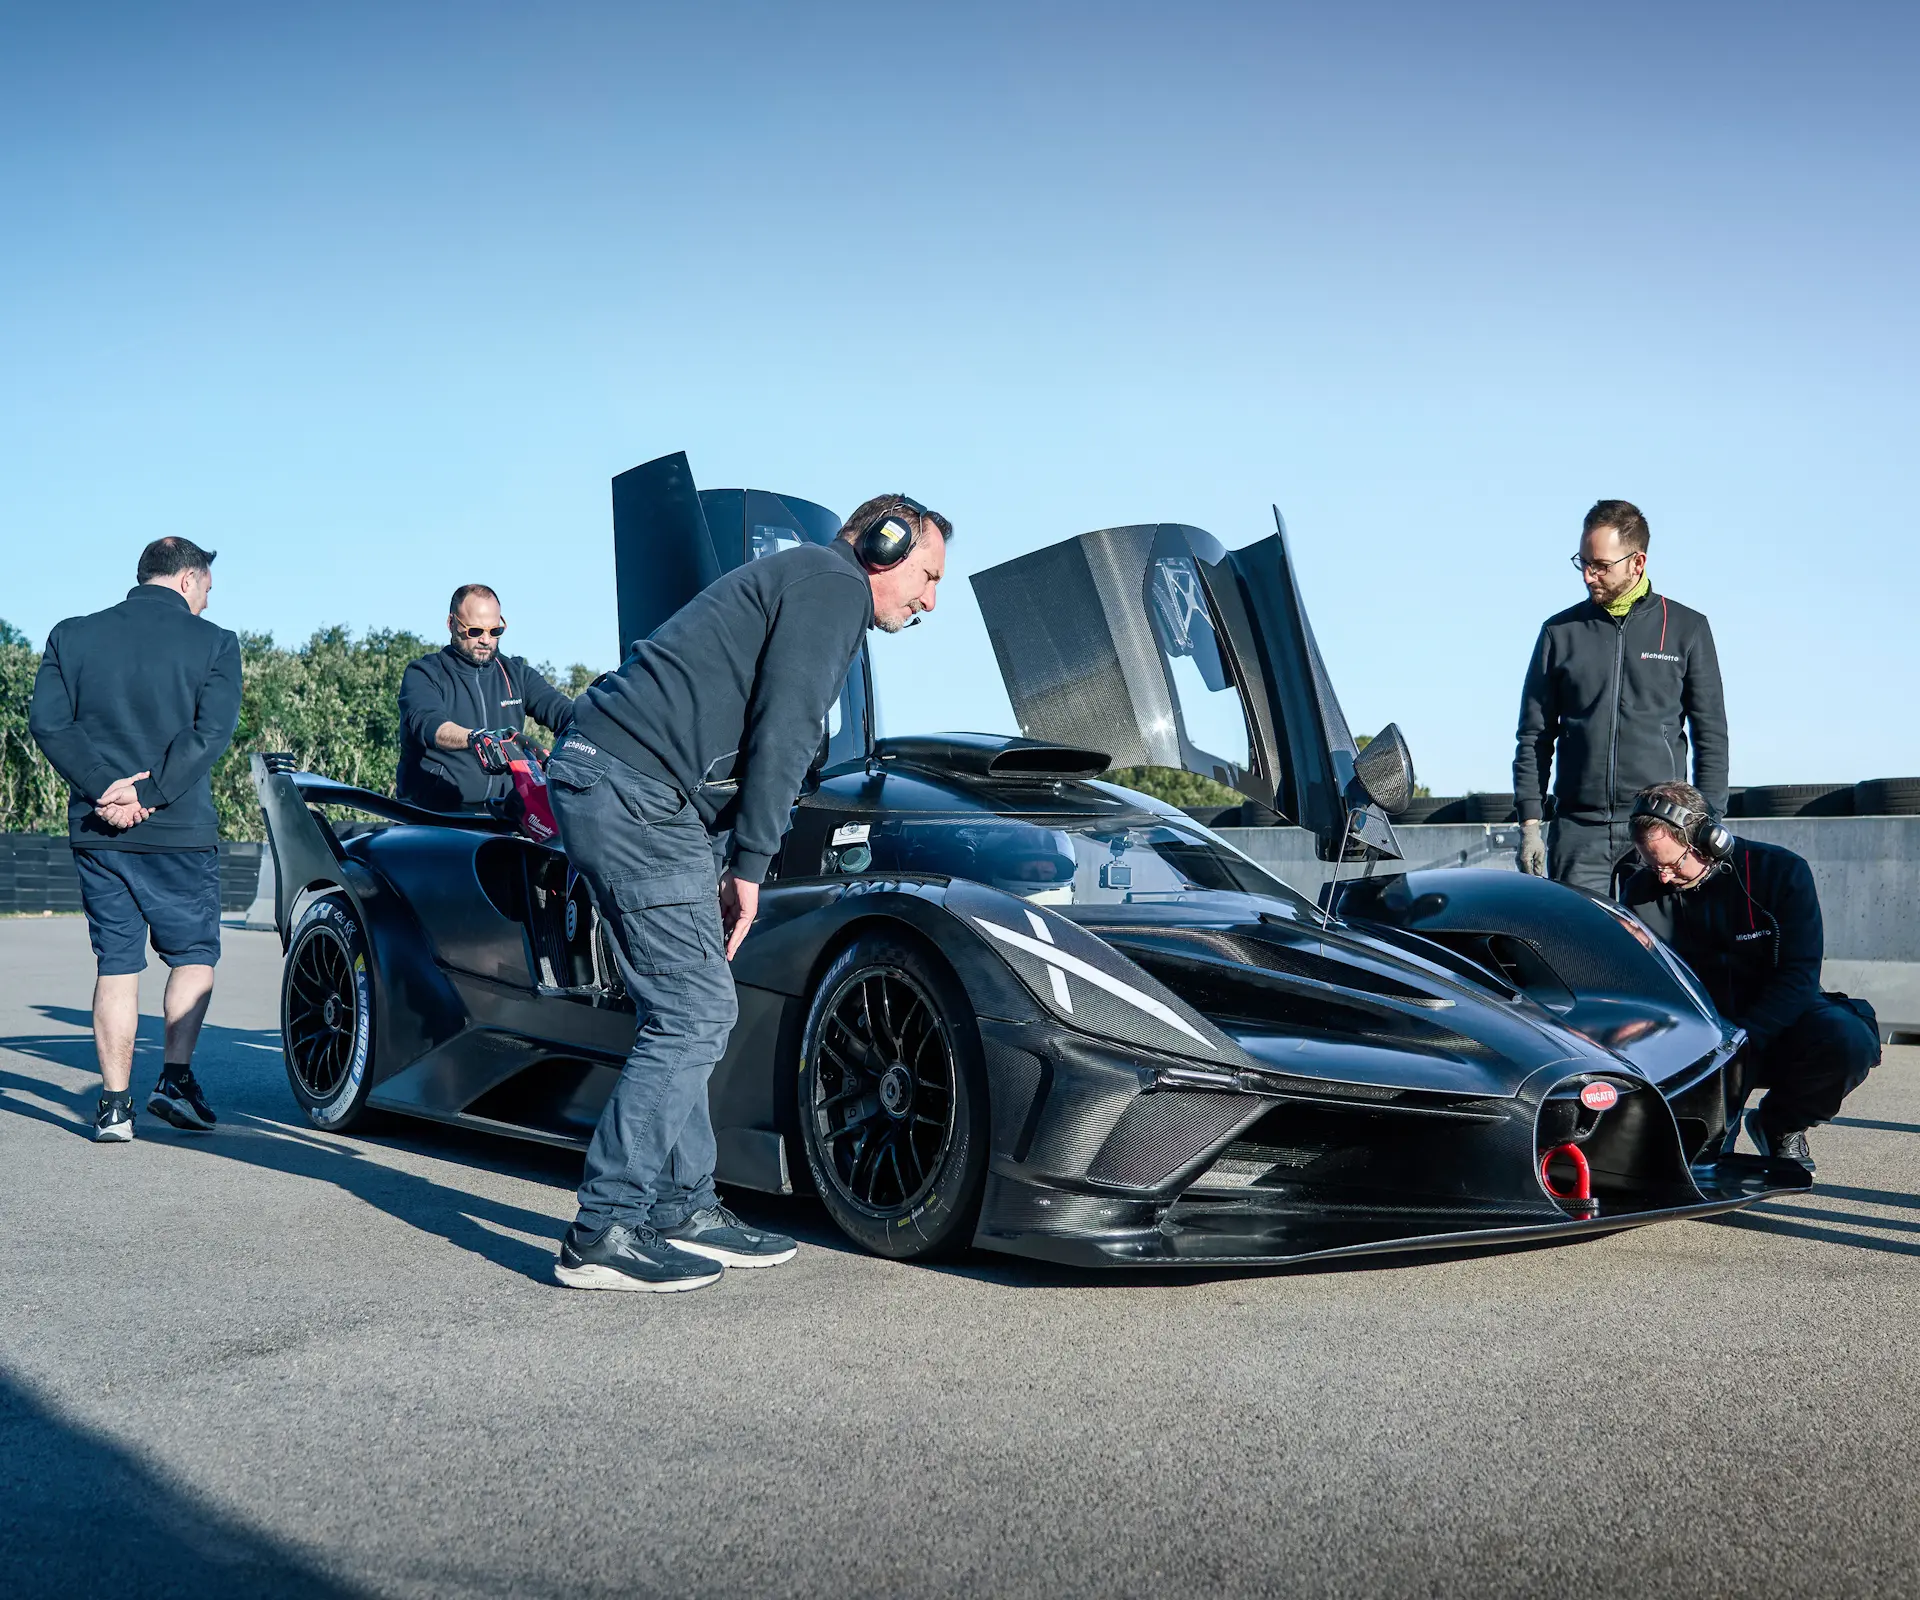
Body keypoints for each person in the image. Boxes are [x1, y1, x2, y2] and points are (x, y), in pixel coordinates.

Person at [545, 494, 951, 1292]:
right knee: (696, 1011)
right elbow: (785, 729)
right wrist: (753, 867)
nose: (929, 601)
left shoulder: (807, 579)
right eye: (928, 576)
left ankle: (682, 1206)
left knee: (691, 1005)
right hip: (633, 789)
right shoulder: (832, 585)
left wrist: (728, 853)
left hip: (644, 794)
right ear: (885, 542)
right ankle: (603, 1229)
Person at [27, 537, 243, 1142]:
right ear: (187, 580)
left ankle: (114, 1107)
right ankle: (175, 1080)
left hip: (99, 831)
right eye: (206, 588)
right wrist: (148, 796)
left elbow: (48, 722)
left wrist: (102, 788)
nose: (206, 601)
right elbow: (211, 732)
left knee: (117, 962)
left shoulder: (71, 635)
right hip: (178, 829)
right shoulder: (216, 643)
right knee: (195, 955)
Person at [1618, 782, 1880, 1176]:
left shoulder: (1781, 872)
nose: (1666, 877)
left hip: (1776, 1020)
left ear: (1709, 839)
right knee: (1701, 1166)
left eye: (1672, 864)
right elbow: (1646, 988)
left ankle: (1781, 1123)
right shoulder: (1641, 891)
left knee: (1848, 1041)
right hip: (1703, 1033)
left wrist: (1742, 1042)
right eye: (1654, 866)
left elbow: (1799, 976)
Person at [1513, 499, 1728, 893]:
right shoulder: (1559, 633)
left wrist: (1707, 822)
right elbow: (1534, 736)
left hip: (1661, 832)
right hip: (1578, 832)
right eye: (1583, 563)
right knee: (1573, 951)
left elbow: (1710, 735)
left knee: (1651, 950)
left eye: (1600, 566)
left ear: (1637, 563)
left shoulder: (1687, 629)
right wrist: (1530, 824)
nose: (1588, 576)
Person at [395, 584, 575, 811]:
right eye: (475, 631)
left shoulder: (516, 674)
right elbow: (430, 725)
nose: (486, 640)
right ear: (451, 623)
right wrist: (476, 739)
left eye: (495, 631)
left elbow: (562, 711)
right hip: (435, 819)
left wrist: (594, 723)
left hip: (503, 819)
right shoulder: (424, 673)